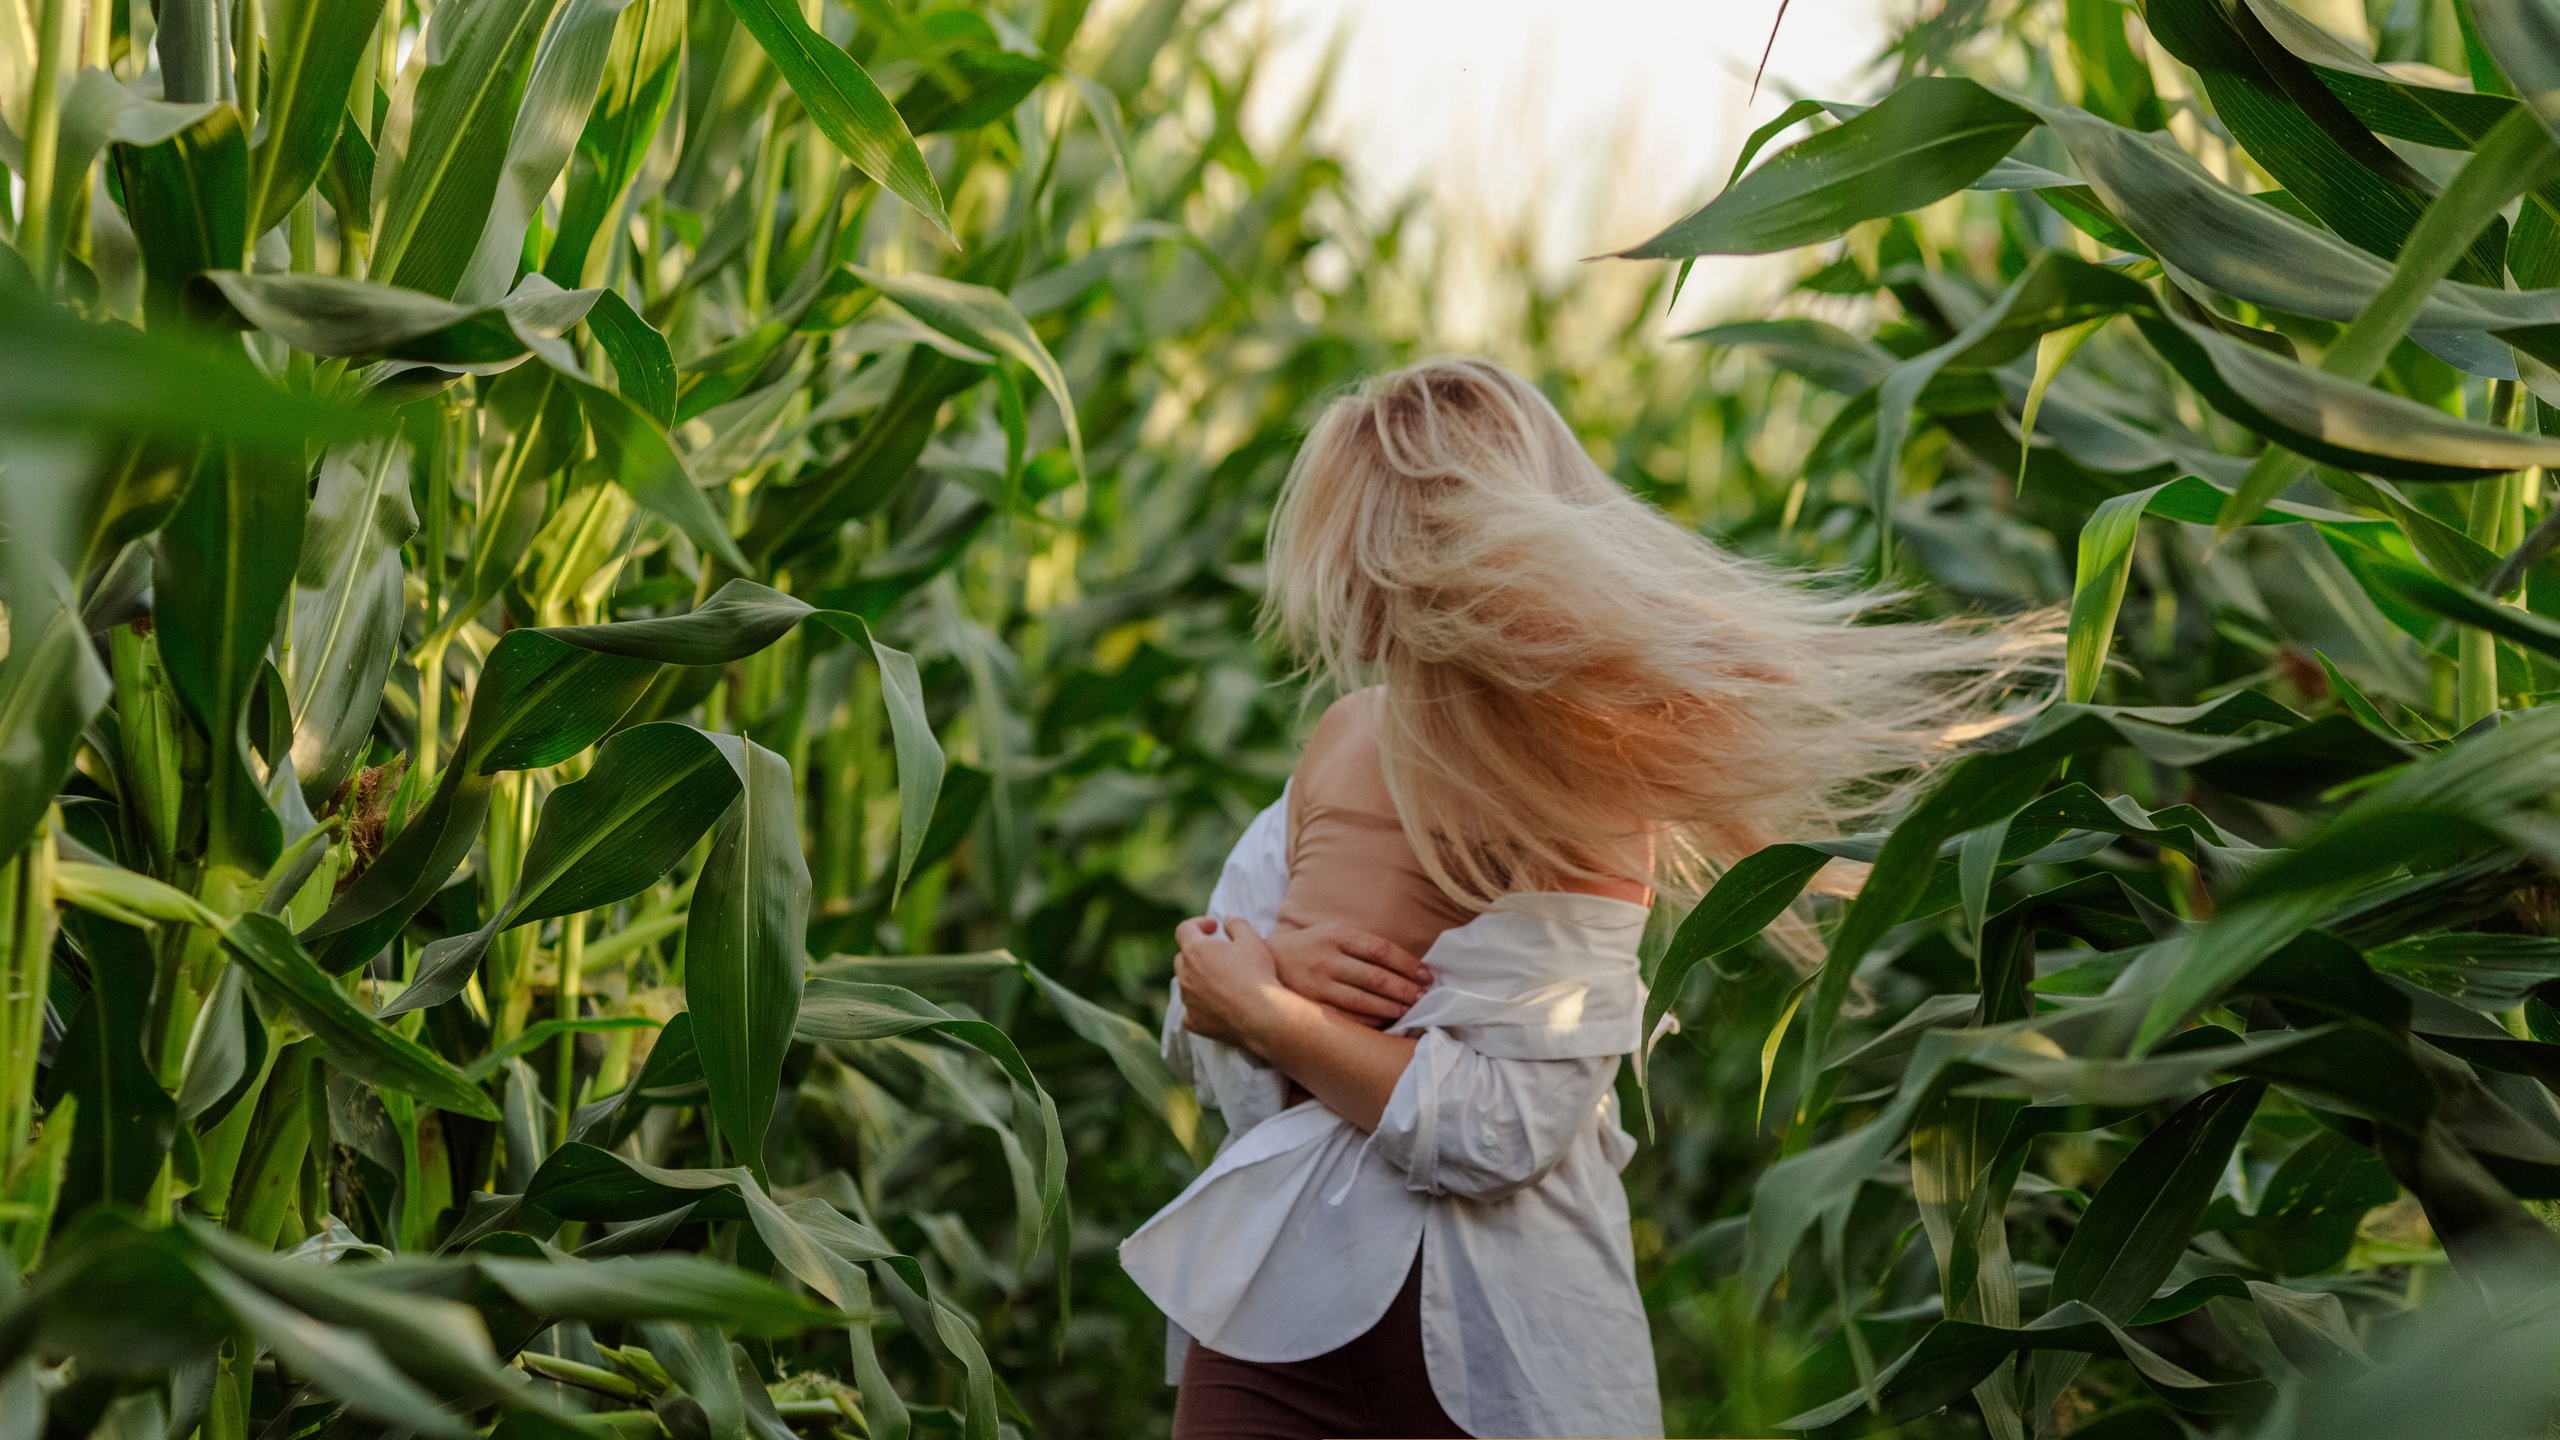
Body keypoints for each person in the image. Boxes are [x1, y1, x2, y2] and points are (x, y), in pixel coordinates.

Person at [1119, 358, 2051, 1440]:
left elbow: (1500, 1131)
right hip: (1273, 1329)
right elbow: (1203, 1006)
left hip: (1491, 1352)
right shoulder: (1340, 738)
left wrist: (1275, 1013)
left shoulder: (1582, 799)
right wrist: (1253, 987)